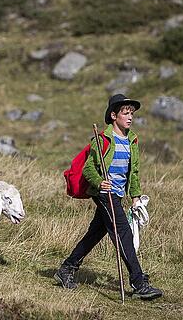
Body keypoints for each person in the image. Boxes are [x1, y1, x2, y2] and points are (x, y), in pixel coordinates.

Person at [54, 94, 163, 300]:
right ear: (114, 115)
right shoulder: (102, 140)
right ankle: (139, 283)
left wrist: (136, 197)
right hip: (105, 194)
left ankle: (66, 269)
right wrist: (99, 182)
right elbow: (88, 170)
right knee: (123, 233)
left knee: (95, 234)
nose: (130, 117)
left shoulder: (132, 140)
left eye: (131, 113)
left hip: (119, 194)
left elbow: (135, 172)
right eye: (125, 113)